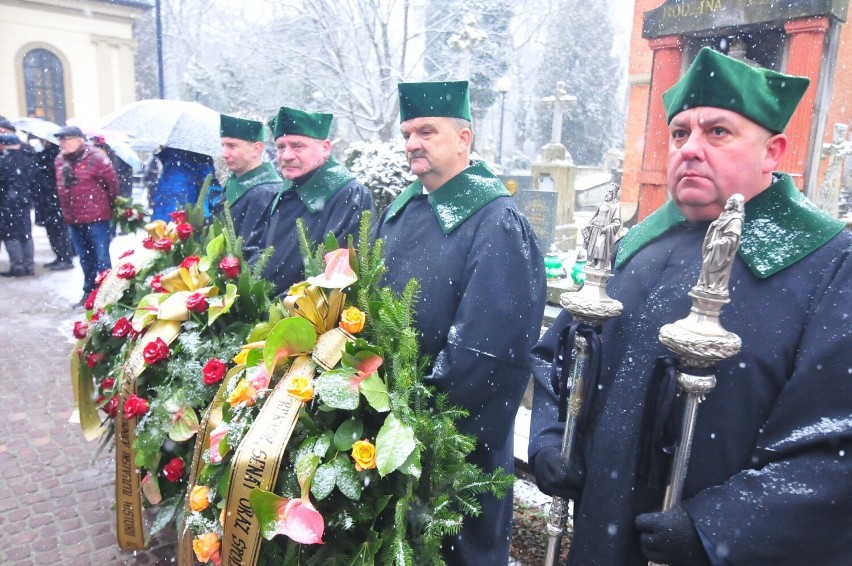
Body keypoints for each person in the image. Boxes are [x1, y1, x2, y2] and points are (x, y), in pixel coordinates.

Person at [529, 47, 851, 565]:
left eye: (717, 132)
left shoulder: (828, 266)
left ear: (773, 152)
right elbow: (560, 355)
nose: (690, 149)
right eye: (680, 133)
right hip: (600, 533)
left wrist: (715, 529)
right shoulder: (637, 247)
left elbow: (835, 446)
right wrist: (549, 439)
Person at [373, 81, 547, 564]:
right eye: (407, 133)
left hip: (449, 445)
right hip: (384, 432)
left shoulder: (496, 222)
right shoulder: (402, 210)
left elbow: (486, 354)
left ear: (464, 138)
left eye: (427, 131)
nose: (412, 144)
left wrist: (418, 424)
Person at [254, 106, 373, 294]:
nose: (286, 155)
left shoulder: (348, 194)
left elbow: (335, 278)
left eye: (297, 146)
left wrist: (279, 310)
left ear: (325, 148)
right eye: (281, 147)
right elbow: (260, 250)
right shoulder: (285, 190)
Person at [54, 126, 119, 306]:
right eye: (61, 140)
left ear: (79, 140)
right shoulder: (60, 161)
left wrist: (104, 207)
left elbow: (112, 186)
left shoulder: (97, 159)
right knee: (84, 258)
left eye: (66, 139)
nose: (62, 144)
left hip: (96, 218)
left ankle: (107, 297)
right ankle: (88, 294)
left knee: (102, 258)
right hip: (73, 218)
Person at [213, 114, 282, 252]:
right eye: (223, 145)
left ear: (256, 149)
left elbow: (252, 251)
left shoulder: (267, 192)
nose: (224, 154)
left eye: (232, 146)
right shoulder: (234, 183)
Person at [31, 136, 74, 270]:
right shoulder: (44, 154)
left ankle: (65, 258)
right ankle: (60, 256)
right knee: (52, 230)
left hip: (54, 198)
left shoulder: (56, 156)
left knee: (59, 230)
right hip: (47, 198)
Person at [0, 133, 37, 276]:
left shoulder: (3, 161)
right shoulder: (28, 160)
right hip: (25, 202)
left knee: (11, 235)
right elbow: (34, 181)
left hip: (6, 203)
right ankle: (29, 265)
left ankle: (17, 266)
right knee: (26, 234)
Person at [149, 146, 219, 222]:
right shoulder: (200, 157)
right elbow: (208, 180)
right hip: (188, 208)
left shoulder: (169, 157)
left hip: (164, 211)